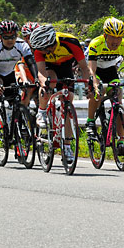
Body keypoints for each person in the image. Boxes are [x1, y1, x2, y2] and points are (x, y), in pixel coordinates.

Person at [30, 24, 91, 164]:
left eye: (44, 49)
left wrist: (89, 85)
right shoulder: (39, 49)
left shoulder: (71, 42)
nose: (43, 51)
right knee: (50, 83)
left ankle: (67, 146)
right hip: (49, 67)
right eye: (40, 50)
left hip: (66, 66)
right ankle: (42, 111)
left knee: (68, 100)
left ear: (51, 44)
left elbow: (84, 68)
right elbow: (40, 72)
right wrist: (44, 83)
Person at [85, 18, 124, 156]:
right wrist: (95, 84)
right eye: (113, 38)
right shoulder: (96, 43)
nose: (116, 41)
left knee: (117, 97)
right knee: (98, 92)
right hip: (95, 69)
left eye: (119, 38)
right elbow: (91, 70)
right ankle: (90, 122)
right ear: (105, 35)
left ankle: (121, 141)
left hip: (110, 70)